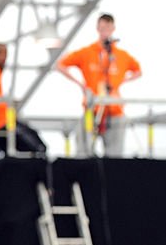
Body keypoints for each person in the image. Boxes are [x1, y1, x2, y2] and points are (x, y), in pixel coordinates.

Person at [56, 13, 142, 156]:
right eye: (102, 28)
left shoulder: (121, 55)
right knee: (84, 152)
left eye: (108, 28)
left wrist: (120, 82)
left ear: (113, 28)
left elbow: (138, 71)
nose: (105, 32)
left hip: (114, 111)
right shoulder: (87, 52)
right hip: (92, 110)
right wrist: (81, 85)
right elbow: (61, 65)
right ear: (97, 28)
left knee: (114, 156)